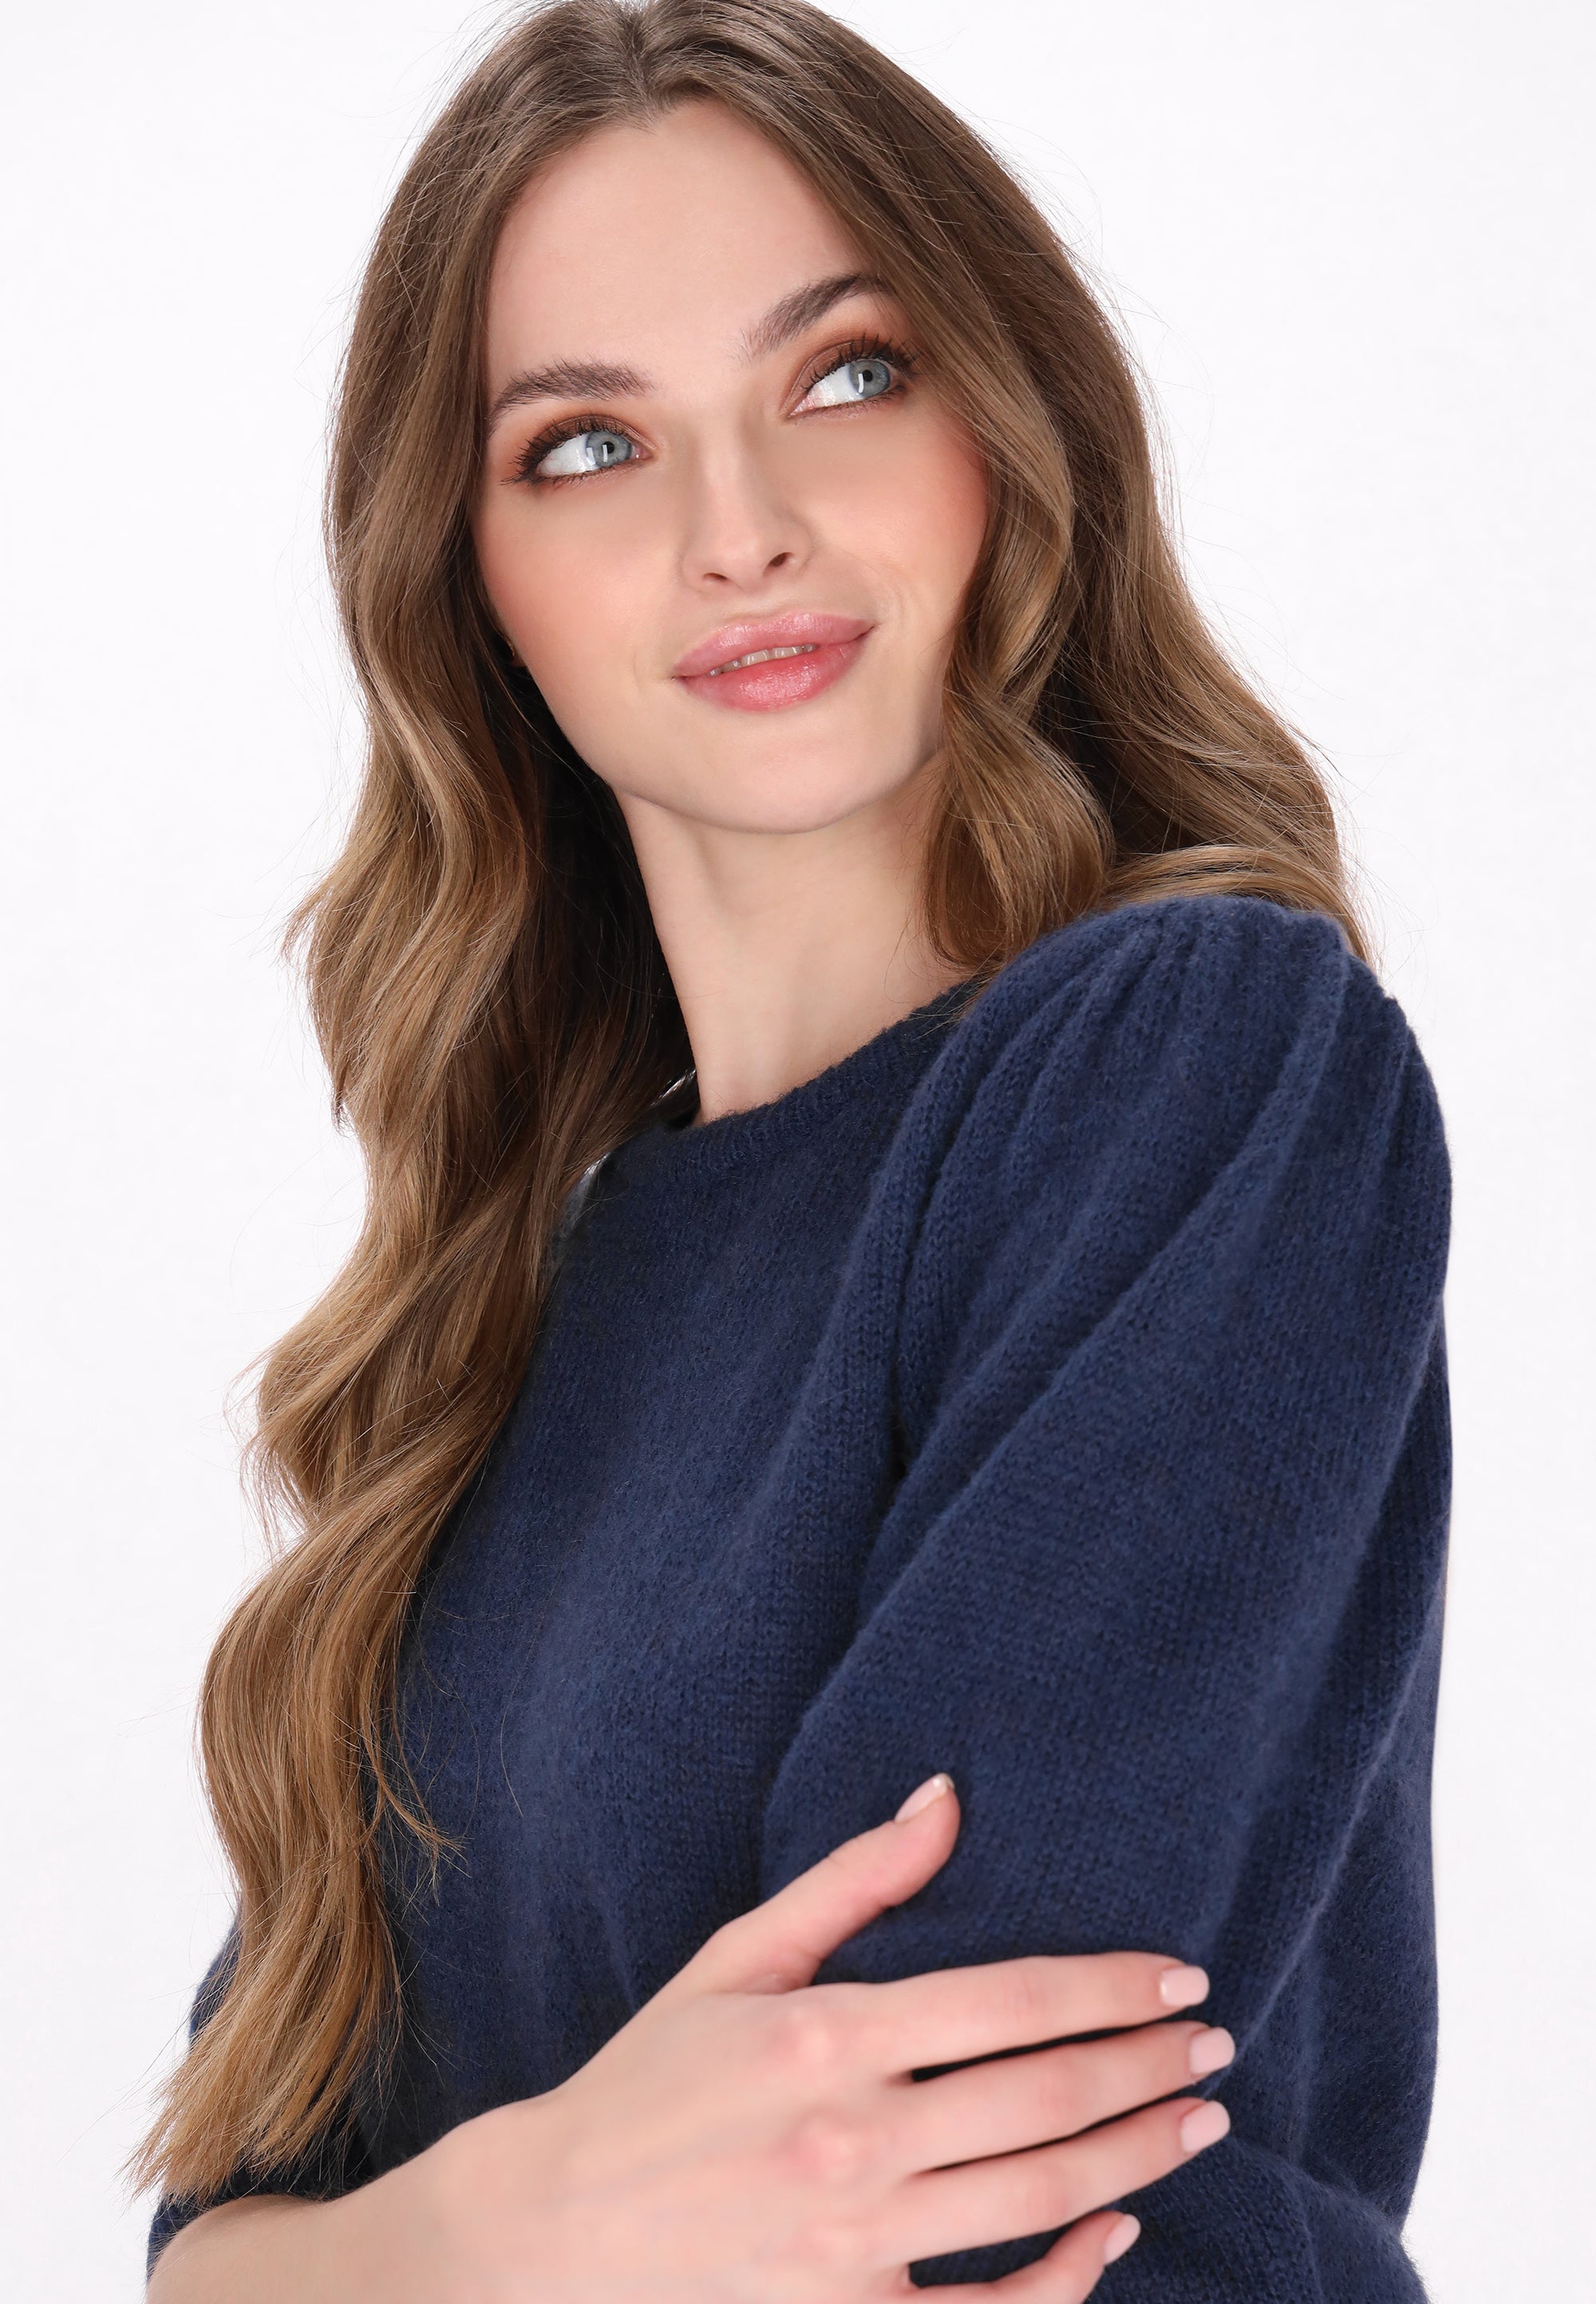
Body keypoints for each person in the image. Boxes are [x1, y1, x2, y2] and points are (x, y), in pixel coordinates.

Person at [136, 2, 1451, 2296]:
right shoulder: (507, 1312)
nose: (739, 531)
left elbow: (919, 2173)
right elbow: (205, 2236)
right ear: (467, 581)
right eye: (586, 445)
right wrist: (522, 2224)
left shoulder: (1200, 1066)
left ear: (1002, 426)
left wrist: (426, 2243)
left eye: (845, 376)